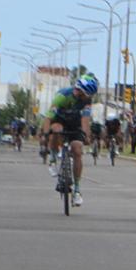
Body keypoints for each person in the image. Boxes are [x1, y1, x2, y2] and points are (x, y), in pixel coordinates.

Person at [40, 74, 98, 207]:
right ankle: (53, 158)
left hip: (75, 123)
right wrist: (45, 133)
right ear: (81, 90)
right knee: (56, 130)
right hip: (59, 120)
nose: (88, 98)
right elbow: (49, 117)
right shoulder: (62, 96)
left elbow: (85, 120)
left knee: (77, 150)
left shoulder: (86, 101)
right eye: (87, 94)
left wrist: (86, 135)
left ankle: (77, 190)